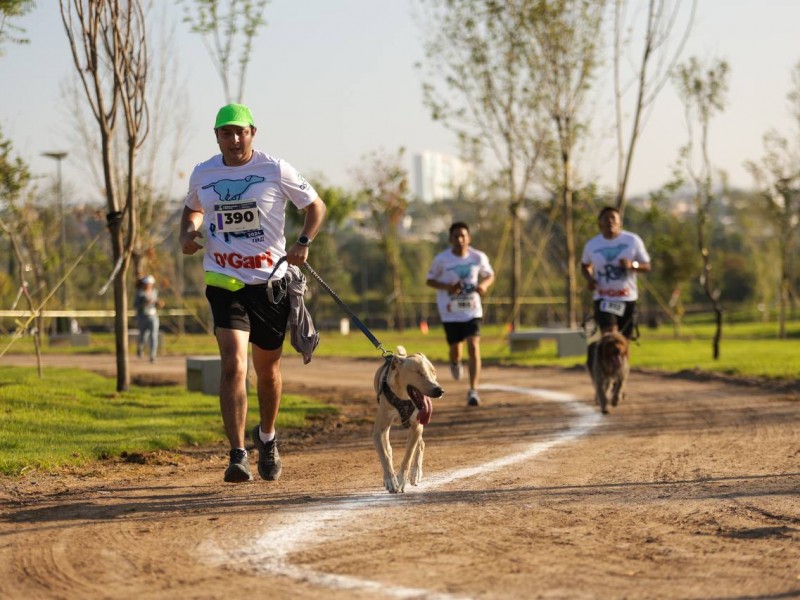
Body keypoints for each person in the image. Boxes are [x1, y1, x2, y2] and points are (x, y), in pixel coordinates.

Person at [179, 103, 326, 484]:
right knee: (233, 364)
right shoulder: (203, 172)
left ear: (253, 133)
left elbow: (315, 206)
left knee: (268, 371)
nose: (234, 139)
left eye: (240, 131)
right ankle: (237, 454)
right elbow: (192, 208)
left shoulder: (275, 169)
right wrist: (188, 232)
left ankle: (268, 438)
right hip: (224, 281)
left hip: (270, 284)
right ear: (217, 137)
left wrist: (303, 242)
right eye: (225, 133)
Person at [426, 222, 495, 407]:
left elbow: (489, 275)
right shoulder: (442, 259)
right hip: (450, 312)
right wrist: (447, 287)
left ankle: (473, 390)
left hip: (472, 310)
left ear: (469, 238)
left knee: (473, 345)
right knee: (456, 350)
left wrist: (484, 286)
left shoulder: (478, 257)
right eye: (456, 236)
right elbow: (430, 280)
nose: (460, 239)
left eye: (463, 236)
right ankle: (455, 362)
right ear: (450, 239)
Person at [580, 206, 652, 340]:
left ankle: (623, 362)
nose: (610, 221)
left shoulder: (632, 240)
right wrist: (590, 280)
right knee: (610, 336)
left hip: (627, 297)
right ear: (599, 223)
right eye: (606, 218)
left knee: (624, 341)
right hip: (604, 298)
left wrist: (632, 265)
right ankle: (605, 361)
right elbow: (585, 266)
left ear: (620, 222)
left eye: (613, 218)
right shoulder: (592, 245)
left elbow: (647, 266)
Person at [134, 274, 160, 362]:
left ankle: (152, 356)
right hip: (143, 317)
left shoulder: (154, 292)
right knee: (143, 336)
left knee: (153, 336)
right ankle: (140, 349)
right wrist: (144, 303)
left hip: (153, 316)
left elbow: (155, 302)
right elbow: (136, 305)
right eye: (147, 283)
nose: (148, 285)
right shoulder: (140, 293)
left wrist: (158, 303)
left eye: (150, 283)